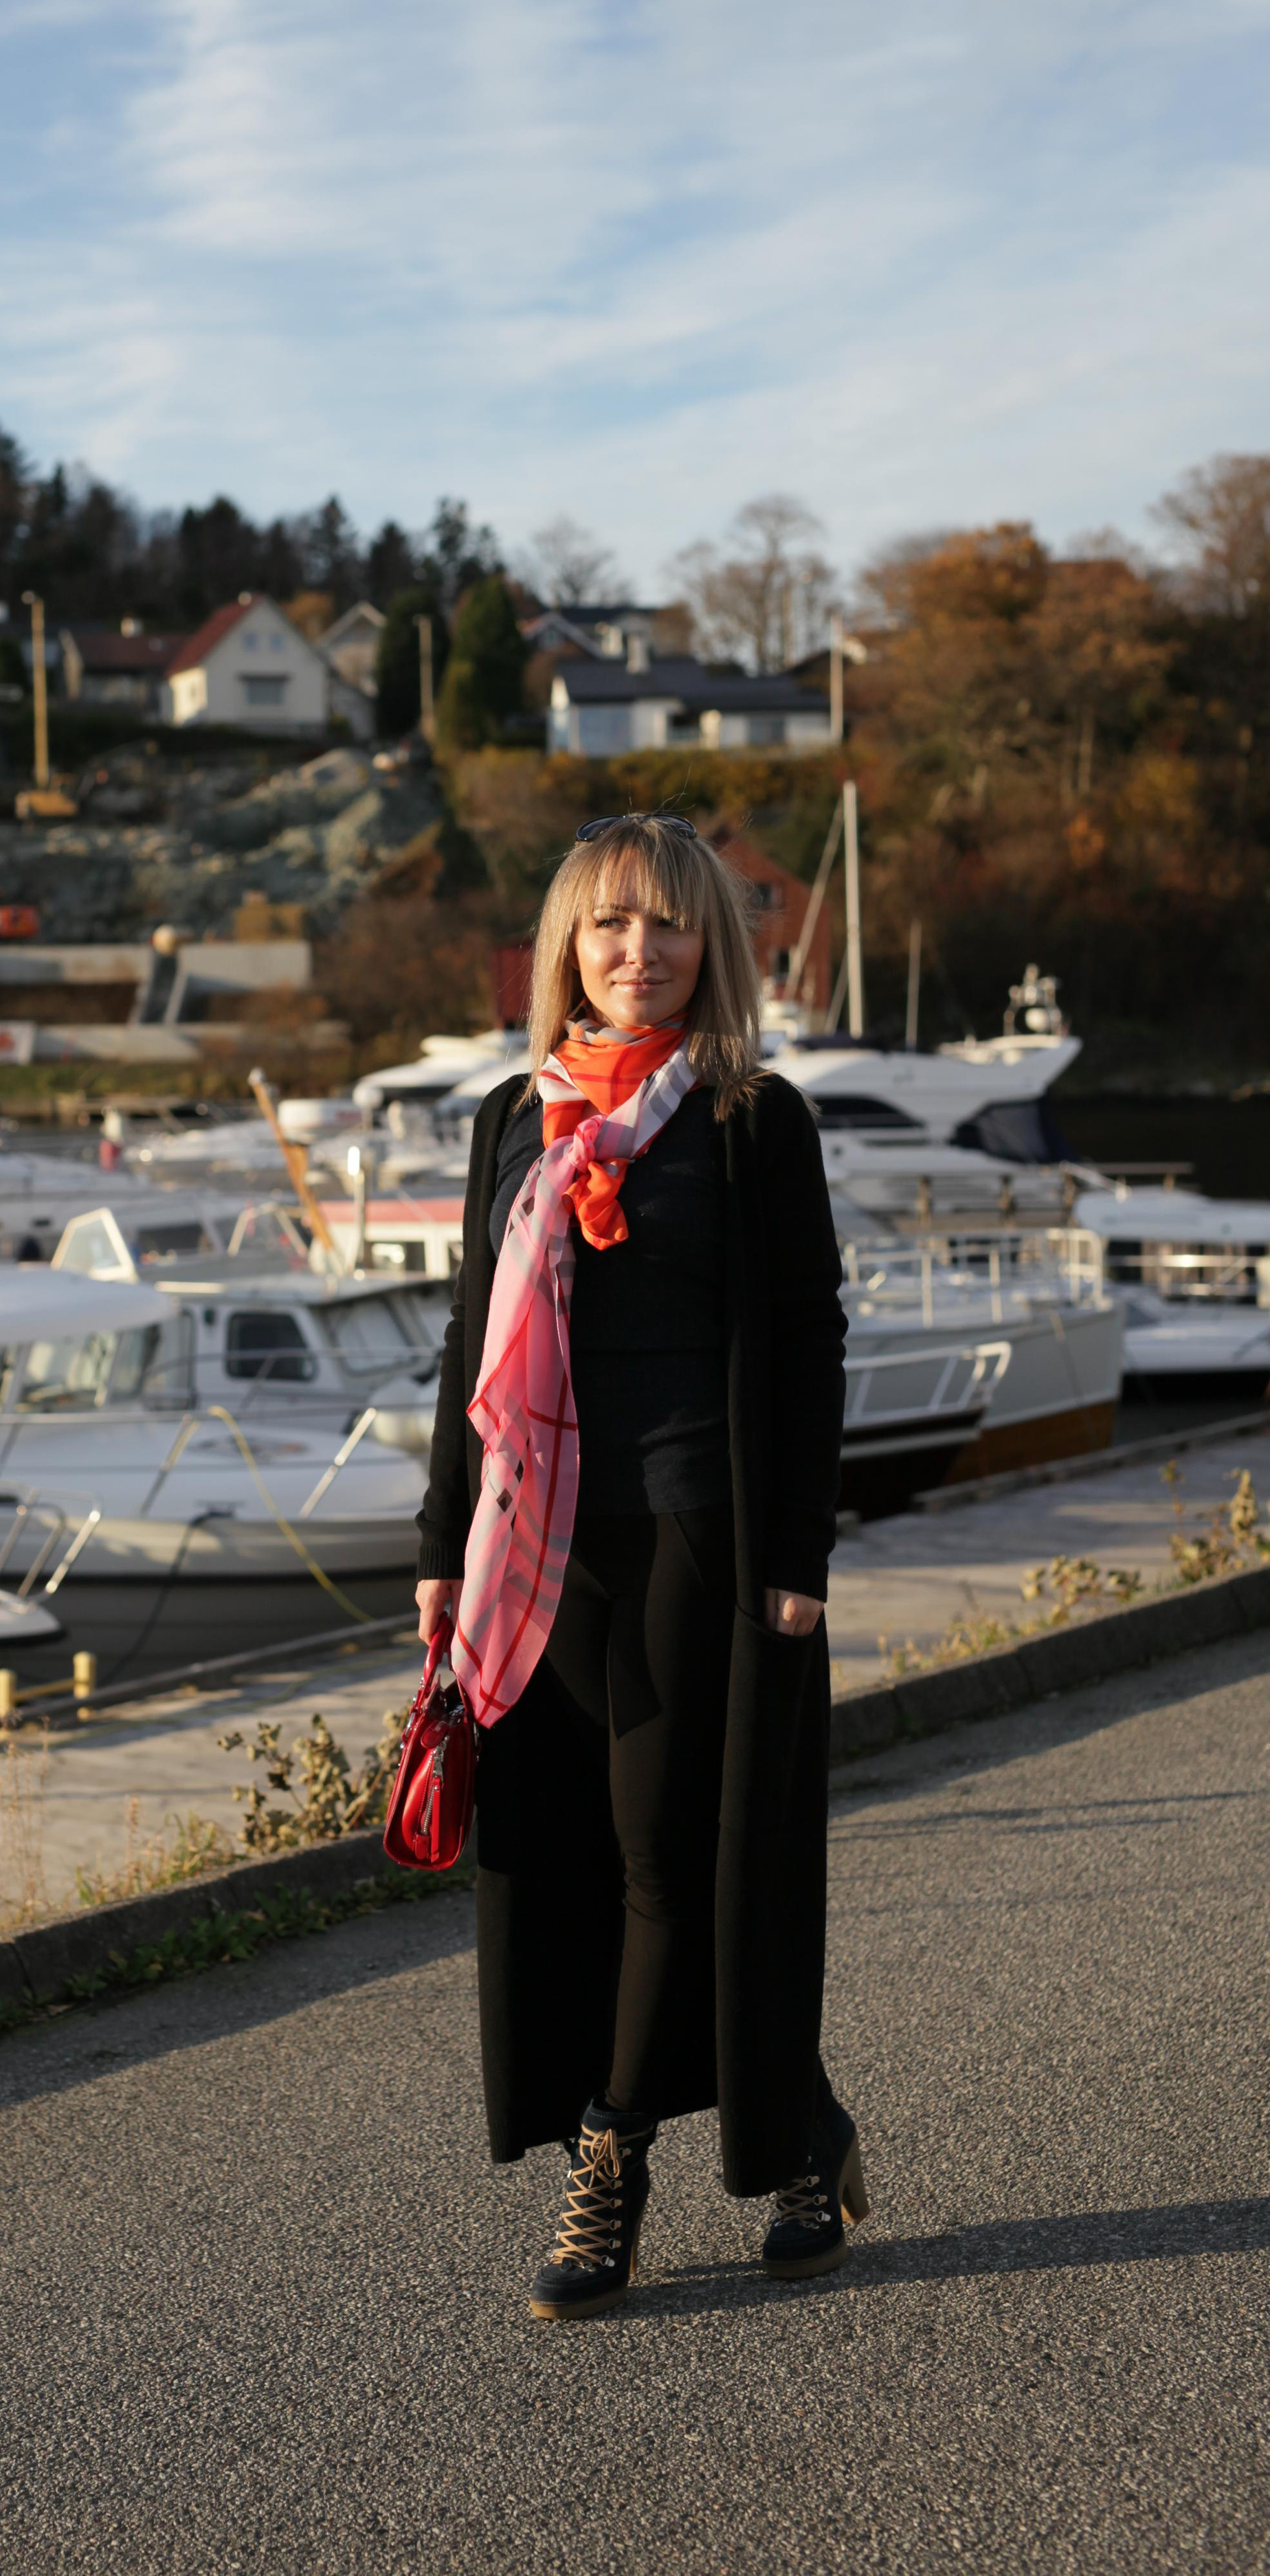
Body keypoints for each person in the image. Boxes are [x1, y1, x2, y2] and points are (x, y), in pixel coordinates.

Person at [416, 811, 865, 2321]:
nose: (638, 950)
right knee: (577, 1856)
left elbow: (806, 1339)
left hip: (695, 1528)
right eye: (609, 923)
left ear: (709, 945)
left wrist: (796, 1550)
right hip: (536, 1545)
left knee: (673, 1855)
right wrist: (438, 1547)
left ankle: (608, 2162)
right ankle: (801, 2121)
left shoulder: (751, 1118)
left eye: (668, 923)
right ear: (567, 944)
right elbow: (466, 1339)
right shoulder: (513, 1117)